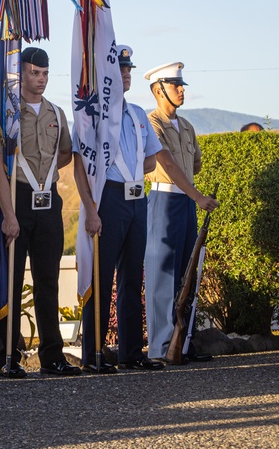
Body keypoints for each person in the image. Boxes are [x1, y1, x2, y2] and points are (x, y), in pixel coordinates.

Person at [72, 46, 165, 373]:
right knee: (101, 277)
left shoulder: (138, 114)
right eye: (121, 69)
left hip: (137, 199)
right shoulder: (92, 116)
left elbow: (152, 158)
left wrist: (133, 171)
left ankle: (131, 352)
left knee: (131, 279)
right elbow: (79, 167)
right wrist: (91, 209)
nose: (126, 74)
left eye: (128, 69)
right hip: (108, 199)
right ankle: (93, 354)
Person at [0, 46, 79, 378]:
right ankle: (9, 356)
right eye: (33, 73)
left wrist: (46, 171)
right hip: (16, 199)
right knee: (10, 281)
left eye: (44, 74)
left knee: (48, 280)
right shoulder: (5, 114)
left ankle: (52, 356)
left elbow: (66, 153)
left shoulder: (56, 113)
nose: (40, 80)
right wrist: (9, 215)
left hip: (48, 200)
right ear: (20, 73)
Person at [142, 61, 219, 362]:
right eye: (176, 85)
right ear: (159, 90)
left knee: (187, 273)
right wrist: (197, 195)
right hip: (165, 200)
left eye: (181, 84)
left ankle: (183, 342)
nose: (182, 89)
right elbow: (168, 165)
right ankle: (162, 346)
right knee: (163, 275)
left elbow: (195, 162)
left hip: (187, 202)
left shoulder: (186, 126)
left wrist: (193, 195)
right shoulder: (152, 123)